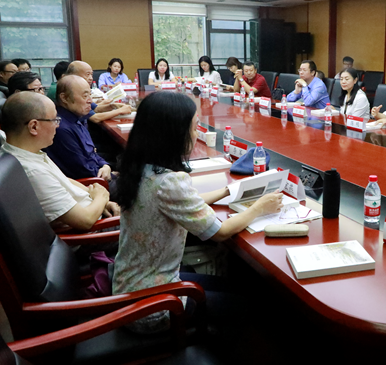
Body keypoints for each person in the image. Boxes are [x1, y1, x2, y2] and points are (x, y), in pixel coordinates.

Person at [112, 91, 283, 333]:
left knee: (229, 286)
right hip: (154, 307)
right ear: (174, 134)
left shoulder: (141, 168)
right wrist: (260, 207)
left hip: (131, 286)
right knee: (244, 305)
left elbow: (179, 203)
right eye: (194, 127)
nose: (196, 133)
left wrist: (227, 191)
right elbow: (221, 232)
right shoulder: (170, 182)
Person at [1, 92, 119, 230]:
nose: (58, 125)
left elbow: (63, 180)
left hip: (95, 210)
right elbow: (86, 220)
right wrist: (101, 197)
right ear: (34, 127)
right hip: (92, 233)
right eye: (54, 120)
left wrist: (98, 199)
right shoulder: (32, 171)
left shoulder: (27, 151)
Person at [46, 75, 116, 188]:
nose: (90, 101)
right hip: (91, 186)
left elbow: (91, 153)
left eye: (90, 95)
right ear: (64, 98)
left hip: (99, 173)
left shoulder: (77, 118)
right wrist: (112, 174)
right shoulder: (61, 128)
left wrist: (106, 166)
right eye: (85, 96)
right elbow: (84, 171)